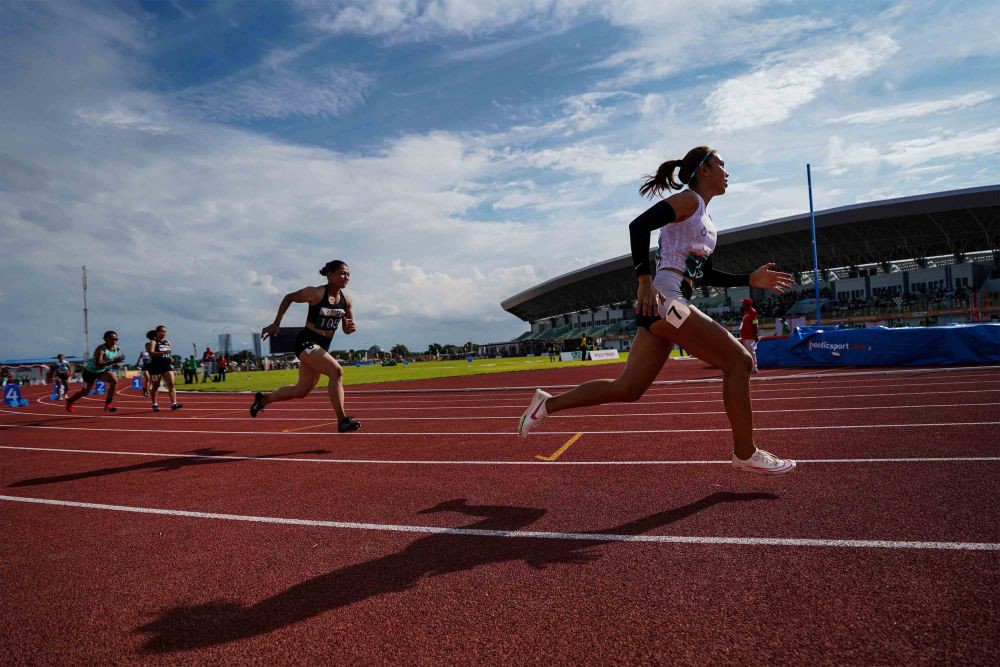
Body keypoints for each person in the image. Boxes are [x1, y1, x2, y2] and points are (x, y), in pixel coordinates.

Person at [518, 145, 797, 475]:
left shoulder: (707, 221)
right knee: (739, 361)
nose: (727, 172)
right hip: (666, 298)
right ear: (703, 170)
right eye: (722, 164)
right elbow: (638, 227)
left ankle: (546, 404)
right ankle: (745, 452)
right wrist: (644, 282)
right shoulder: (689, 201)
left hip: (670, 303)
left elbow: (703, 273)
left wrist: (748, 278)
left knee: (627, 388)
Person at [251, 259, 361, 432]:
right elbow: (289, 298)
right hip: (306, 343)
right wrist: (276, 323)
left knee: (301, 391)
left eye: (348, 274)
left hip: (322, 347)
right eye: (342, 273)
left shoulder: (347, 301)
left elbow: (347, 328)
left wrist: (349, 328)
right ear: (330, 275)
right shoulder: (316, 293)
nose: (346, 277)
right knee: (337, 371)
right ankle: (342, 420)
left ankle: (263, 399)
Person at [66, 331, 125, 413]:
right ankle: (70, 401)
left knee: (114, 380)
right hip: (90, 372)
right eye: (111, 339)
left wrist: (115, 361)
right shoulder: (100, 349)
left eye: (116, 339)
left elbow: (108, 361)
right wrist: (114, 361)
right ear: (105, 339)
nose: (114, 341)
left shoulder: (116, 347)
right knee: (85, 392)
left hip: (102, 370)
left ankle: (108, 404)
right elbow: (98, 364)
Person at [146, 325, 182, 412]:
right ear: (157, 332)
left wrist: (170, 358)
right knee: (156, 385)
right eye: (162, 331)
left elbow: (169, 353)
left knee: (171, 384)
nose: (164, 333)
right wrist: (162, 352)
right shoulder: (153, 342)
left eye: (165, 331)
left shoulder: (168, 342)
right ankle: (154, 404)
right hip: (156, 366)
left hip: (166, 365)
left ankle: (174, 403)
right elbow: (151, 353)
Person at [739, 298, 759, 373]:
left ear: (748, 304)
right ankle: (750, 367)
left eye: (744, 303)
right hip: (745, 336)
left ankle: (754, 367)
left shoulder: (753, 312)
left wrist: (755, 335)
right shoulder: (746, 312)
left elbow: (755, 324)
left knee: (752, 352)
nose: (742, 305)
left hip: (750, 336)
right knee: (748, 353)